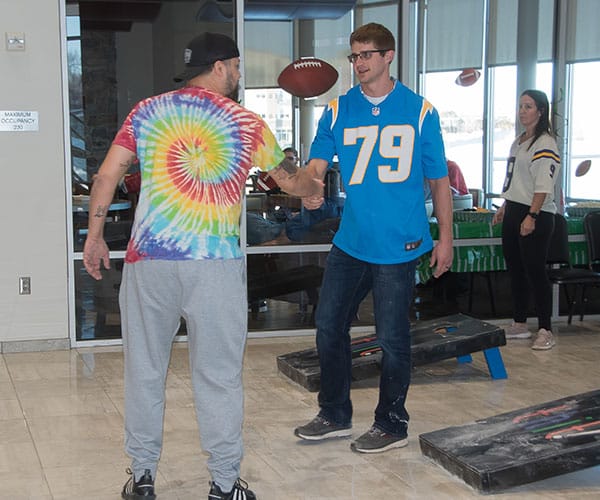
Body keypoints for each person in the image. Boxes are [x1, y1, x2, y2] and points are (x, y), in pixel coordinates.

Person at [83, 32, 322, 500]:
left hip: (149, 261)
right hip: (213, 264)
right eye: (235, 66)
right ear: (220, 67)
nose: (237, 75)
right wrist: (309, 188)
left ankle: (144, 478)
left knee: (145, 371)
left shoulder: (146, 111)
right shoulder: (246, 122)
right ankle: (224, 484)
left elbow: (107, 174)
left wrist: (94, 236)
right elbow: (288, 180)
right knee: (217, 375)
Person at [293, 23, 453, 453]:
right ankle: (334, 414)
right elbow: (316, 166)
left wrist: (446, 239)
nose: (359, 63)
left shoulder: (421, 111)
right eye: (355, 56)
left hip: (399, 244)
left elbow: (439, 182)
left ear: (389, 56)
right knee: (328, 325)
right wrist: (309, 188)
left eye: (367, 54)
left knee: (392, 337)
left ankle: (391, 424)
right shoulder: (336, 110)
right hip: (352, 240)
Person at [492, 89, 560, 350]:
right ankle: (520, 323)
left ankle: (545, 328)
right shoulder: (519, 141)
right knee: (516, 269)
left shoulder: (545, 143)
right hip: (515, 209)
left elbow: (543, 185)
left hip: (537, 213)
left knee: (534, 270)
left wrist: (532, 215)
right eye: (520, 106)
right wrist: (506, 205)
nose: (522, 111)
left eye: (528, 106)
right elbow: (514, 179)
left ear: (540, 111)